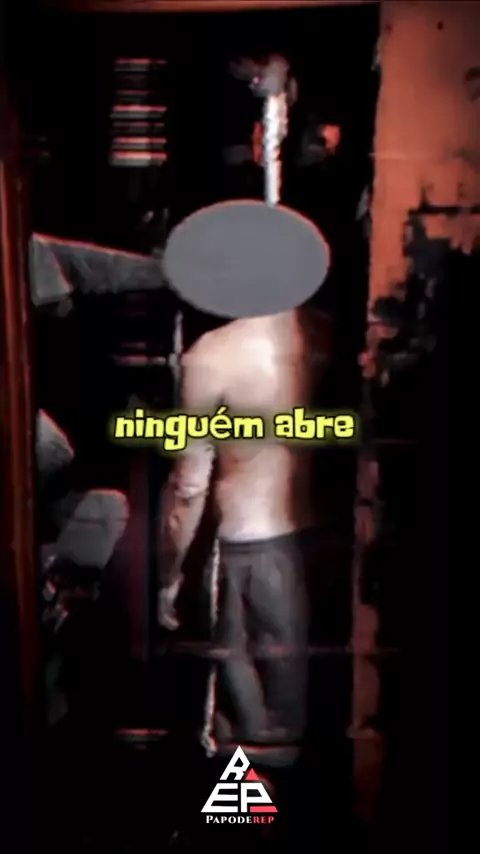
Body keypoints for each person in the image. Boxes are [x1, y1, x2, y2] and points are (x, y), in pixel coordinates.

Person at [157, 305, 333, 748]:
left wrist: (169, 574)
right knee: (311, 724)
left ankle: (251, 795)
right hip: (322, 548)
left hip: (249, 550)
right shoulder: (322, 334)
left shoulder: (213, 355)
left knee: (250, 734)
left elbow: (189, 486)